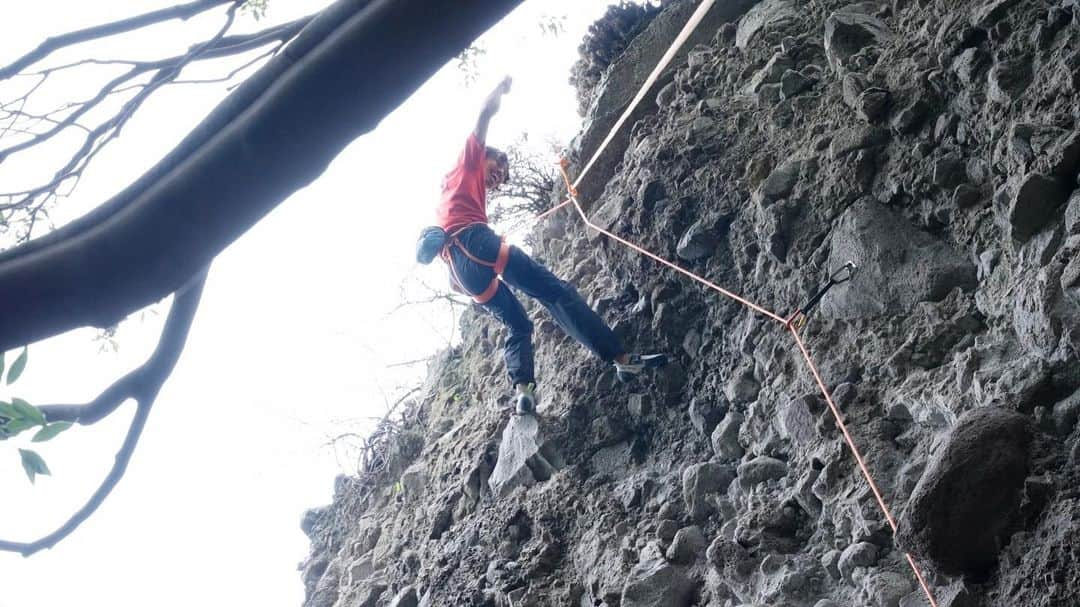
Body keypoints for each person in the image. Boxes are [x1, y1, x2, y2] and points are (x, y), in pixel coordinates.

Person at [435, 76, 666, 415]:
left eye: (502, 177)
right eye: (498, 167)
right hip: (476, 242)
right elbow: (484, 115)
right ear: (484, 155)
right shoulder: (469, 161)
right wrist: (499, 89)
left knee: (517, 324)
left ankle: (523, 391)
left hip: (461, 267)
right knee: (556, 293)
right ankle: (620, 358)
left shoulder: (454, 194)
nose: (499, 175)